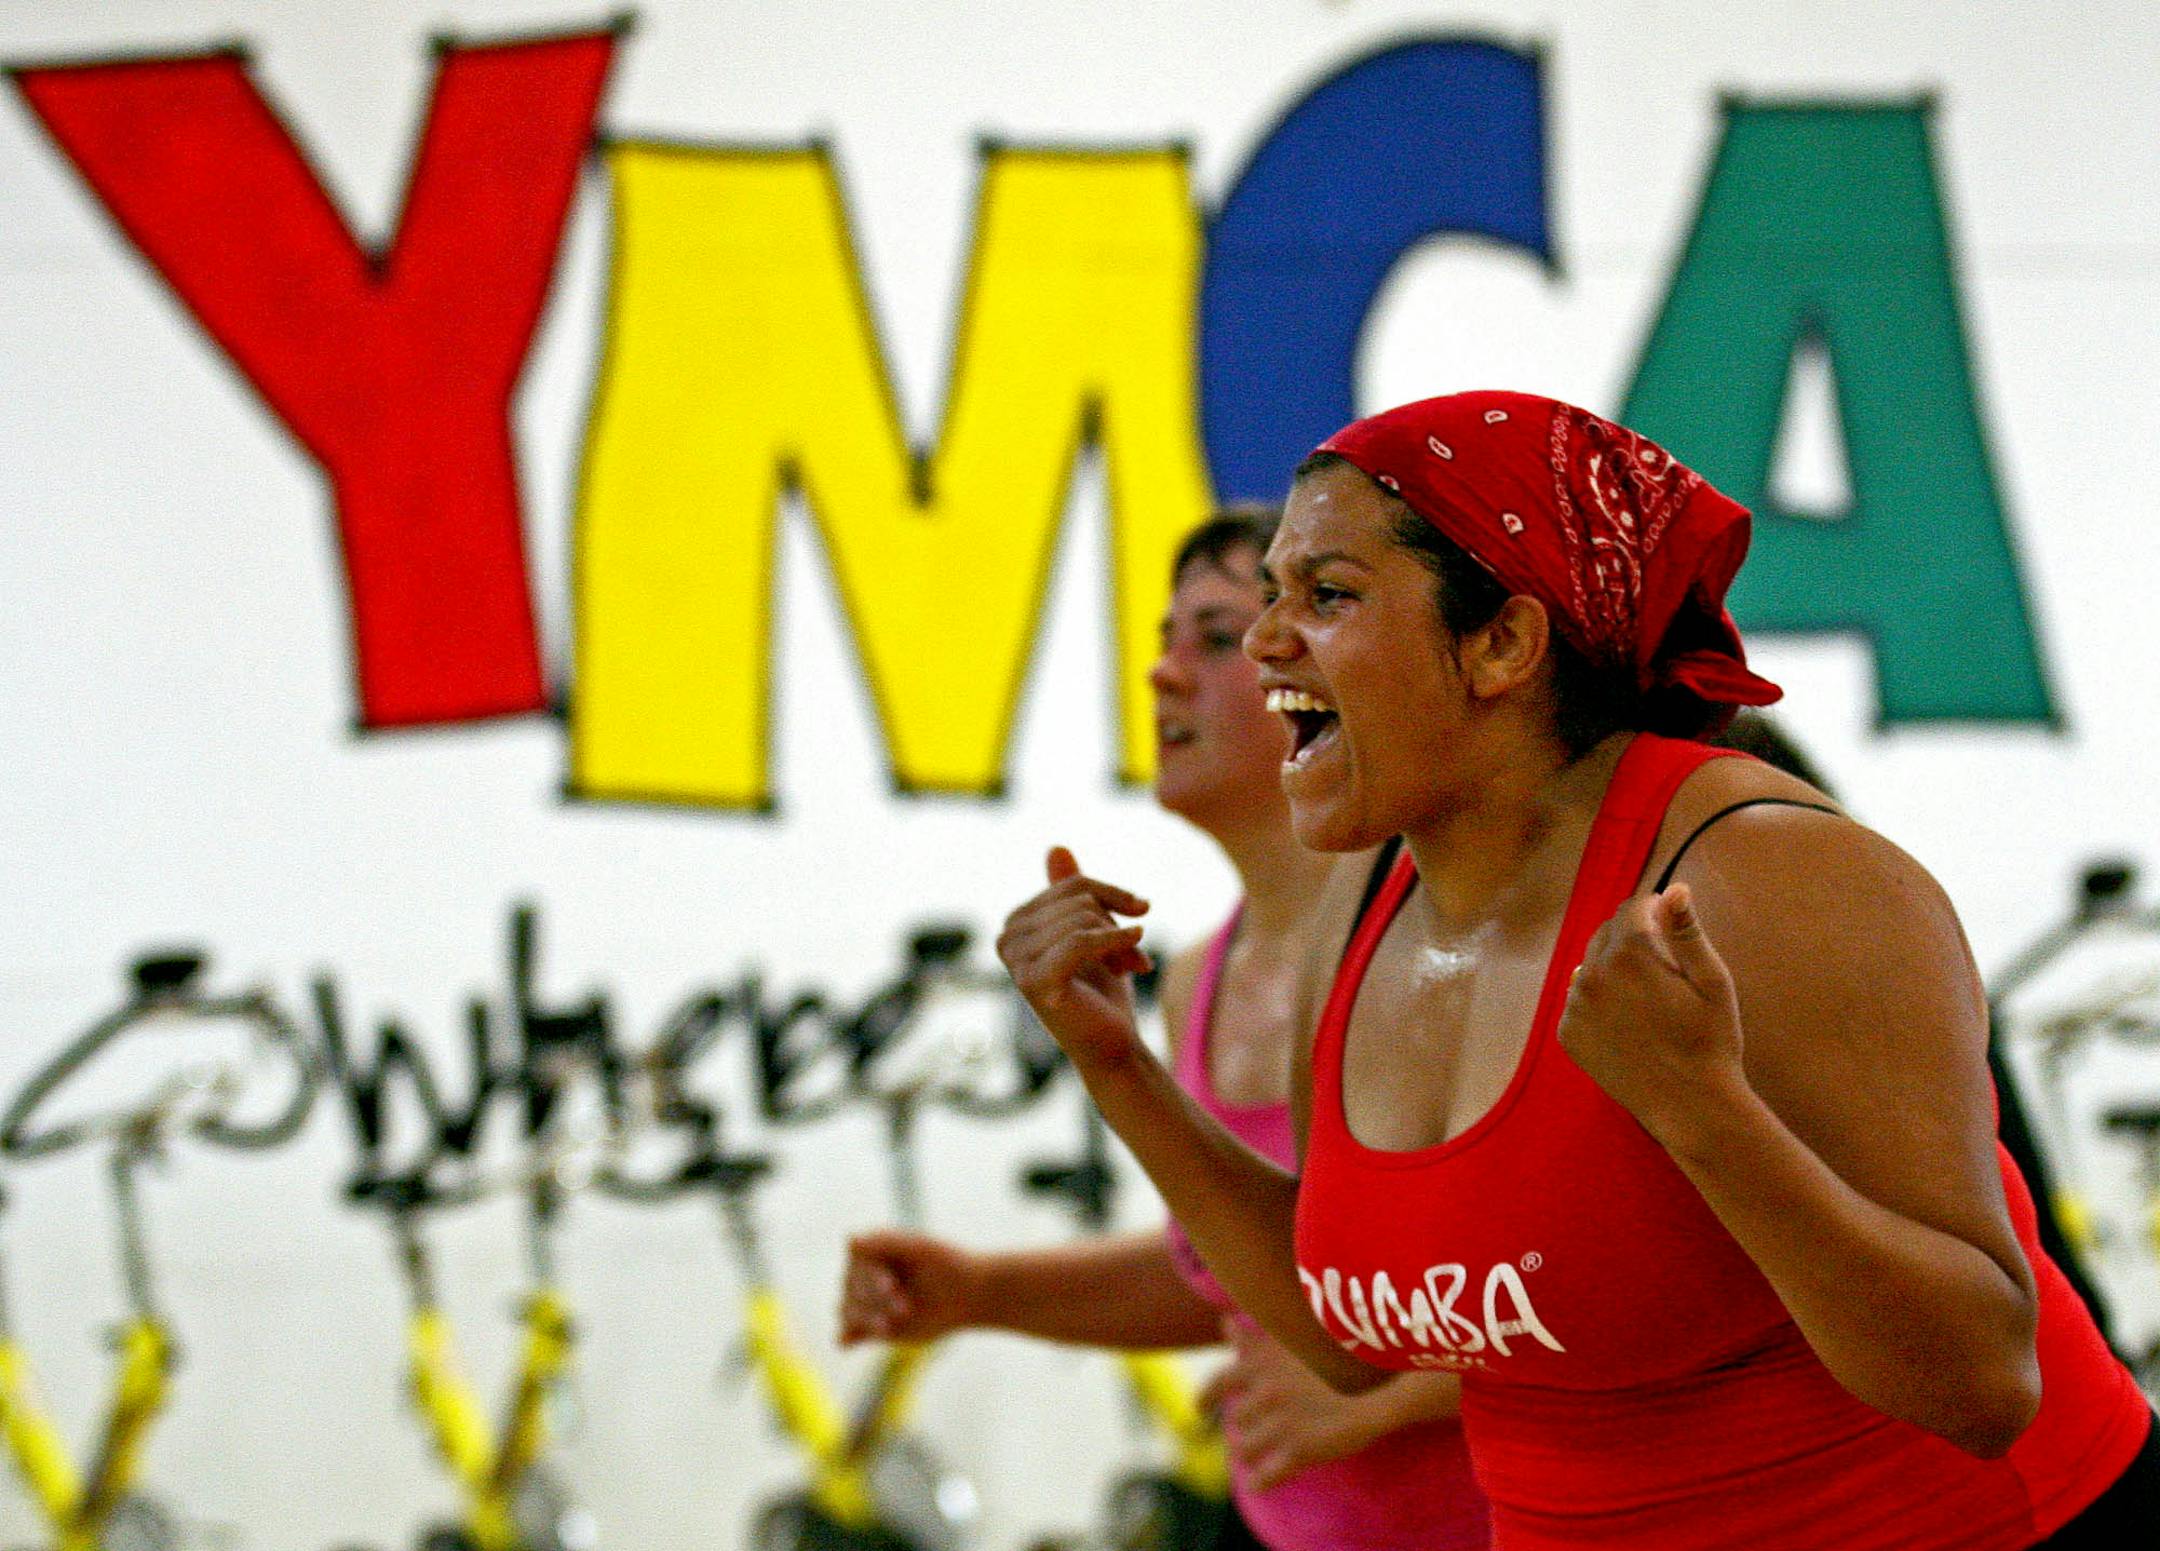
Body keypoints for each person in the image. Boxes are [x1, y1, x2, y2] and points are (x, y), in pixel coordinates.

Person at [995, 393, 2157, 1550]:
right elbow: (1350, 1340)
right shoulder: (1360, 900)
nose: (1265, 642)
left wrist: (1704, 1113)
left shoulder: (1763, 874)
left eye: (1328, 595)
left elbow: (1981, 1382)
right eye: (1272, 596)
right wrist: (1115, 1064)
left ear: (1503, 641)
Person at [840, 509, 1491, 1550]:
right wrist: (981, 1290)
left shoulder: (1445, 947)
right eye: (1163, 639)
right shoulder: (1198, 979)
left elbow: (1611, 1276)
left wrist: (1387, 1395)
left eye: (1216, 637)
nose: (1162, 674)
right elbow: (1242, 1266)